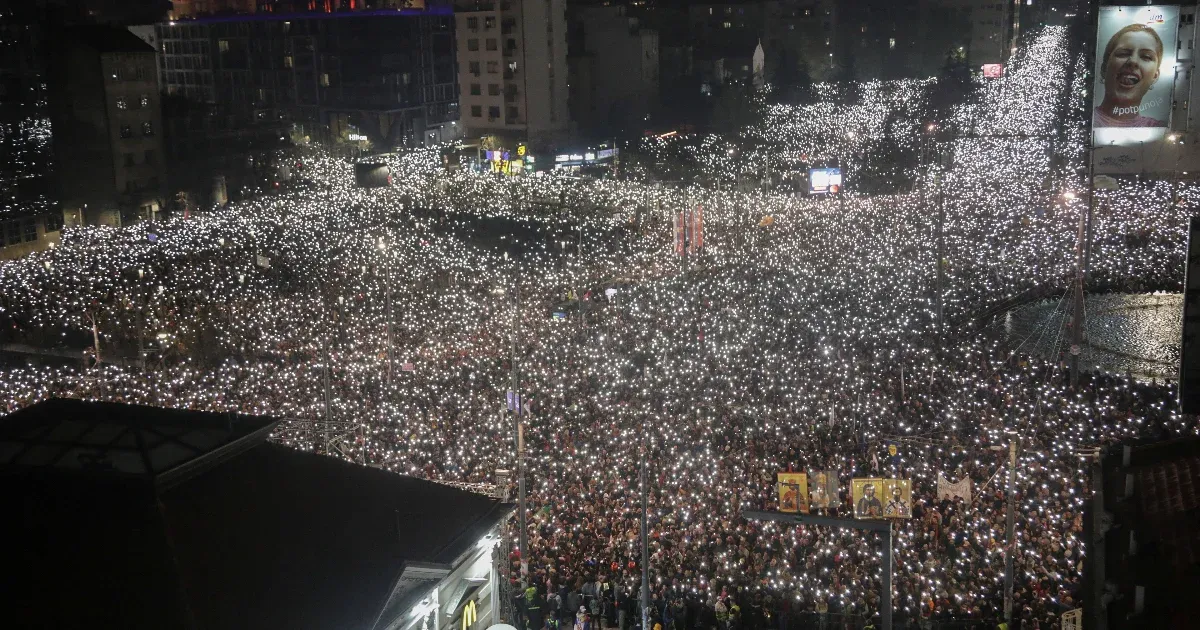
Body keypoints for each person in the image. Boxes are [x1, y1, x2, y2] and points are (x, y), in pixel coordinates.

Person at [1094, 23, 1168, 127]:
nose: (1133, 61)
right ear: (1104, 69)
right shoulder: (1082, 119)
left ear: (1155, 76)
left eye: (1146, 57)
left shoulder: (1160, 129)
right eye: (1123, 53)